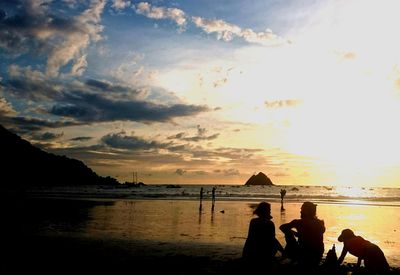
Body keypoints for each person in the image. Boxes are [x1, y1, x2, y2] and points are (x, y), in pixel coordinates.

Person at [279, 201, 325, 267]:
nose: (300, 211)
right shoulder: (320, 223)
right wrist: (298, 234)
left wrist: (291, 232)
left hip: (303, 253)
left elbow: (282, 227)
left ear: (307, 211)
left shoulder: (298, 222)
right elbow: (311, 236)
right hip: (318, 254)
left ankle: (289, 254)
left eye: (302, 209)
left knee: (287, 232)